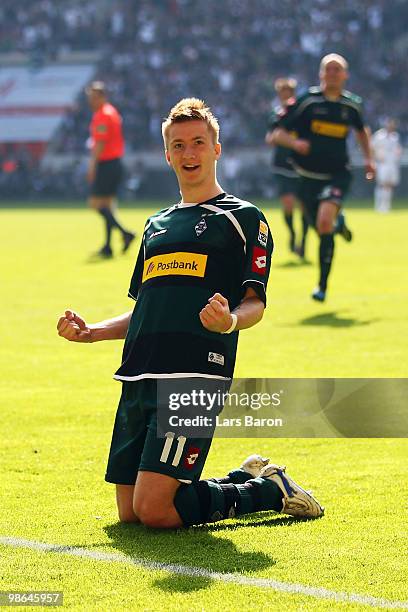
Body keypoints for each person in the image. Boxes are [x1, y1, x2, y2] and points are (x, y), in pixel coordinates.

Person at [57, 98, 323, 528]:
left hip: (194, 375)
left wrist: (230, 320)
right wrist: (92, 332)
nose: (189, 153)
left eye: (199, 142)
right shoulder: (155, 225)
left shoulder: (243, 219)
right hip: (138, 374)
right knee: (130, 514)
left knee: (156, 510)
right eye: (178, 145)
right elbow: (145, 311)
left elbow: (254, 302)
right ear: (167, 155)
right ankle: (246, 477)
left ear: (217, 149)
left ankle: (270, 491)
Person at [271, 54, 375, 302]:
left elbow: (362, 132)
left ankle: (322, 286)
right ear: (321, 74)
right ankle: (339, 224)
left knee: (324, 223)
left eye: (337, 70)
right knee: (321, 227)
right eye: (328, 69)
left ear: (345, 75)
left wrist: (369, 159)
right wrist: (296, 143)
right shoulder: (307, 101)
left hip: (338, 175)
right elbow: (277, 133)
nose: (333, 74)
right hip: (306, 177)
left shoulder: (351, 105)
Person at [86, 81, 135, 258]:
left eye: (93, 97)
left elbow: (100, 143)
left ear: (101, 96)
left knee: (96, 204)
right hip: (114, 163)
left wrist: (92, 166)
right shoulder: (111, 112)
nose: (90, 101)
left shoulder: (103, 115)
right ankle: (108, 246)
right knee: (107, 205)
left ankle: (125, 233)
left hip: (106, 163)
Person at [265, 78, 309, 257]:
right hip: (281, 166)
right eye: (282, 93)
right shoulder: (276, 115)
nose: (285, 96)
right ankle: (292, 234)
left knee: (304, 206)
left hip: (300, 166)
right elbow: (270, 138)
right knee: (288, 204)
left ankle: (304, 241)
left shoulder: (301, 115)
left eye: (288, 93)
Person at [372, 119, 402, 213]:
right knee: (382, 184)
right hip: (382, 164)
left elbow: (397, 148)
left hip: (392, 164)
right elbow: (372, 147)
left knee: (389, 185)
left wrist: (398, 153)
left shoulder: (395, 137)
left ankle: (386, 205)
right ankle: (379, 206)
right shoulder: (379, 135)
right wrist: (376, 157)